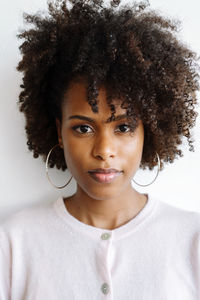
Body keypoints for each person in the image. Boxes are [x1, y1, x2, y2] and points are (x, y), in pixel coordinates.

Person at [0, 0, 200, 299]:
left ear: (149, 131)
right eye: (83, 128)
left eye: (123, 127)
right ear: (59, 132)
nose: (104, 150)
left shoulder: (192, 239)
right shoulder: (14, 241)